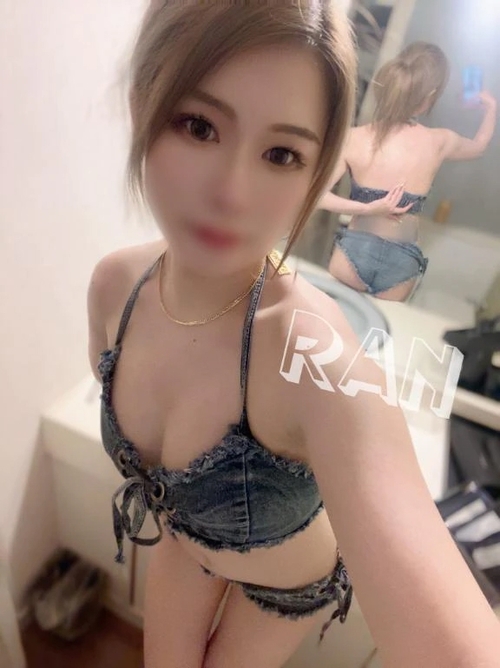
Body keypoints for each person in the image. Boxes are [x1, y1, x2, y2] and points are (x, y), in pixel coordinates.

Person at [87, 4, 500, 667]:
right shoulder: (115, 288)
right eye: (198, 125)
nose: (232, 193)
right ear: (143, 104)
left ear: (316, 168)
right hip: (186, 540)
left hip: (287, 584)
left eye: (282, 154)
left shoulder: (320, 360)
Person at [316, 42, 497, 302]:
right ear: (429, 96)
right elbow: (479, 147)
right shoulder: (439, 141)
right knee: (380, 328)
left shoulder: (353, 138)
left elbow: (318, 197)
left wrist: (368, 208)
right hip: (402, 262)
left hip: (355, 249)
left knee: (335, 322)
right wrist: (491, 107)